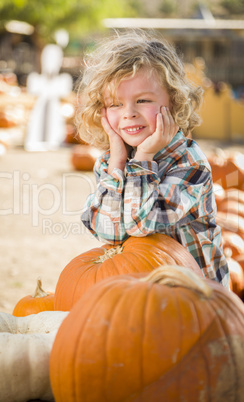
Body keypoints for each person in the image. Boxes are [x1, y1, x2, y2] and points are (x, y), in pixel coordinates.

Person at [76, 30, 229, 287]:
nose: (129, 113)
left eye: (143, 100)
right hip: (141, 290)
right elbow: (108, 232)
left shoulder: (189, 163)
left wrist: (144, 158)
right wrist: (116, 165)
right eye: (115, 104)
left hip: (195, 296)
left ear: (173, 101)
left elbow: (141, 225)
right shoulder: (111, 161)